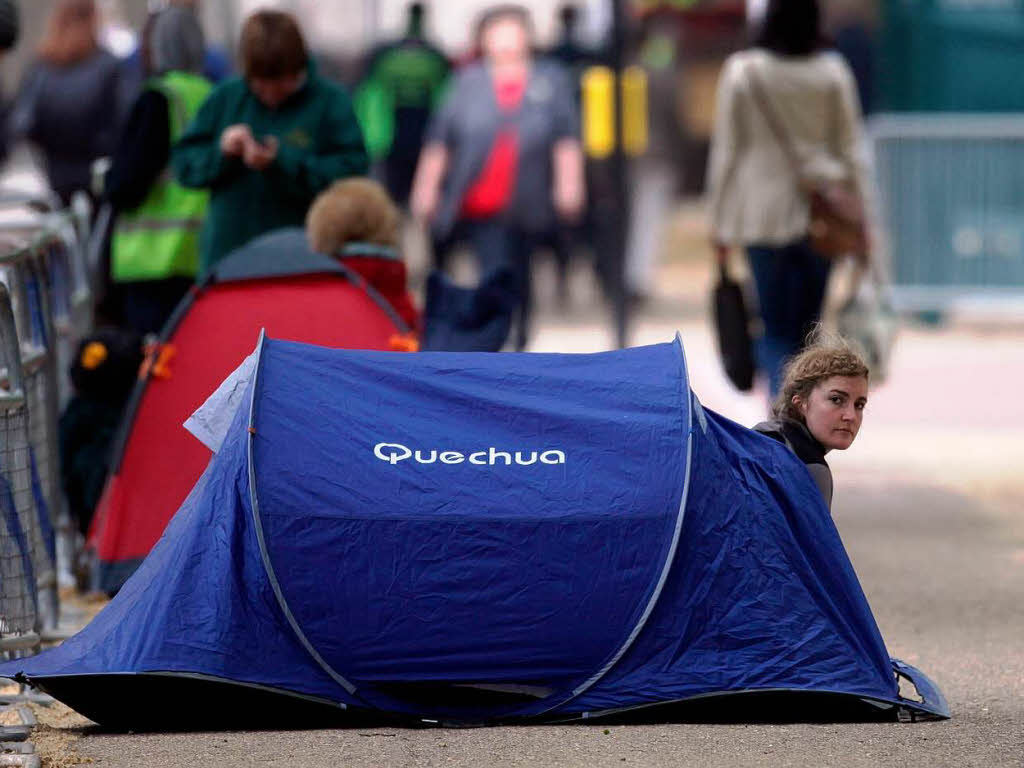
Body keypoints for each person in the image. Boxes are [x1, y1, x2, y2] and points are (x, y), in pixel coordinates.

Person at [705, 0, 871, 396]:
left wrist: (719, 223)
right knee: (809, 329)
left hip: (761, 219)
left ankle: (781, 429)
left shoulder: (742, 73)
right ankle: (803, 428)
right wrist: (863, 218)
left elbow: (726, 153)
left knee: (774, 328)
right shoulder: (832, 72)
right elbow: (852, 152)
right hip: (823, 218)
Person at [410, 4, 584, 351]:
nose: (505, 42)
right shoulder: (466, 82)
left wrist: (570, 184)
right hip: (480, 201)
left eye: (513, 33)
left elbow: (566, 139)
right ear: (484, 39)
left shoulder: (550, 79)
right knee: (493, 269)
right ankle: (495, 338)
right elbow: (440, 140)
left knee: (523, 273)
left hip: (530, 197)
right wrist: (426, 188)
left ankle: (519, 334)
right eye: (498, 33)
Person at [172, 10, 368, 274]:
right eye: (261, 87)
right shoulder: (225, 99)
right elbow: (184, 166)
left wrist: (284, 161)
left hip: (305, 263)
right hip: (229, 263)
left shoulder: (330, 103)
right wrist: (222, 152)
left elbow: (352, 172)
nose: (270, 95)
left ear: (298, 69)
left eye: (281, 85)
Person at [105, 6, 212, 336]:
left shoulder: (158, 98)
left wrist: (108, 180)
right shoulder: (210, 94)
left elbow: (126, 183)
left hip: (152, 263)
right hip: (200, 256)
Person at [8, 0, 120, 205]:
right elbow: (118, 125)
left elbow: (21, 124)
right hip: (95, 182)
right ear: (93, 20)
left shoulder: (40, 69)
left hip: (50, 178)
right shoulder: (109, 66)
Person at [753, 331, 868, 510]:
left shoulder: (760, 435)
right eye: (836, 400)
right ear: (801, 403)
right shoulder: (811, 467)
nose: (850, 416)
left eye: (859, 405)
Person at [354, 2, 450, 207]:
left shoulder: (386, 56)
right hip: (398, 136)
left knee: (394, 197)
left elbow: (366, 96)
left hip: (398, 137)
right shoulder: (434, 57)